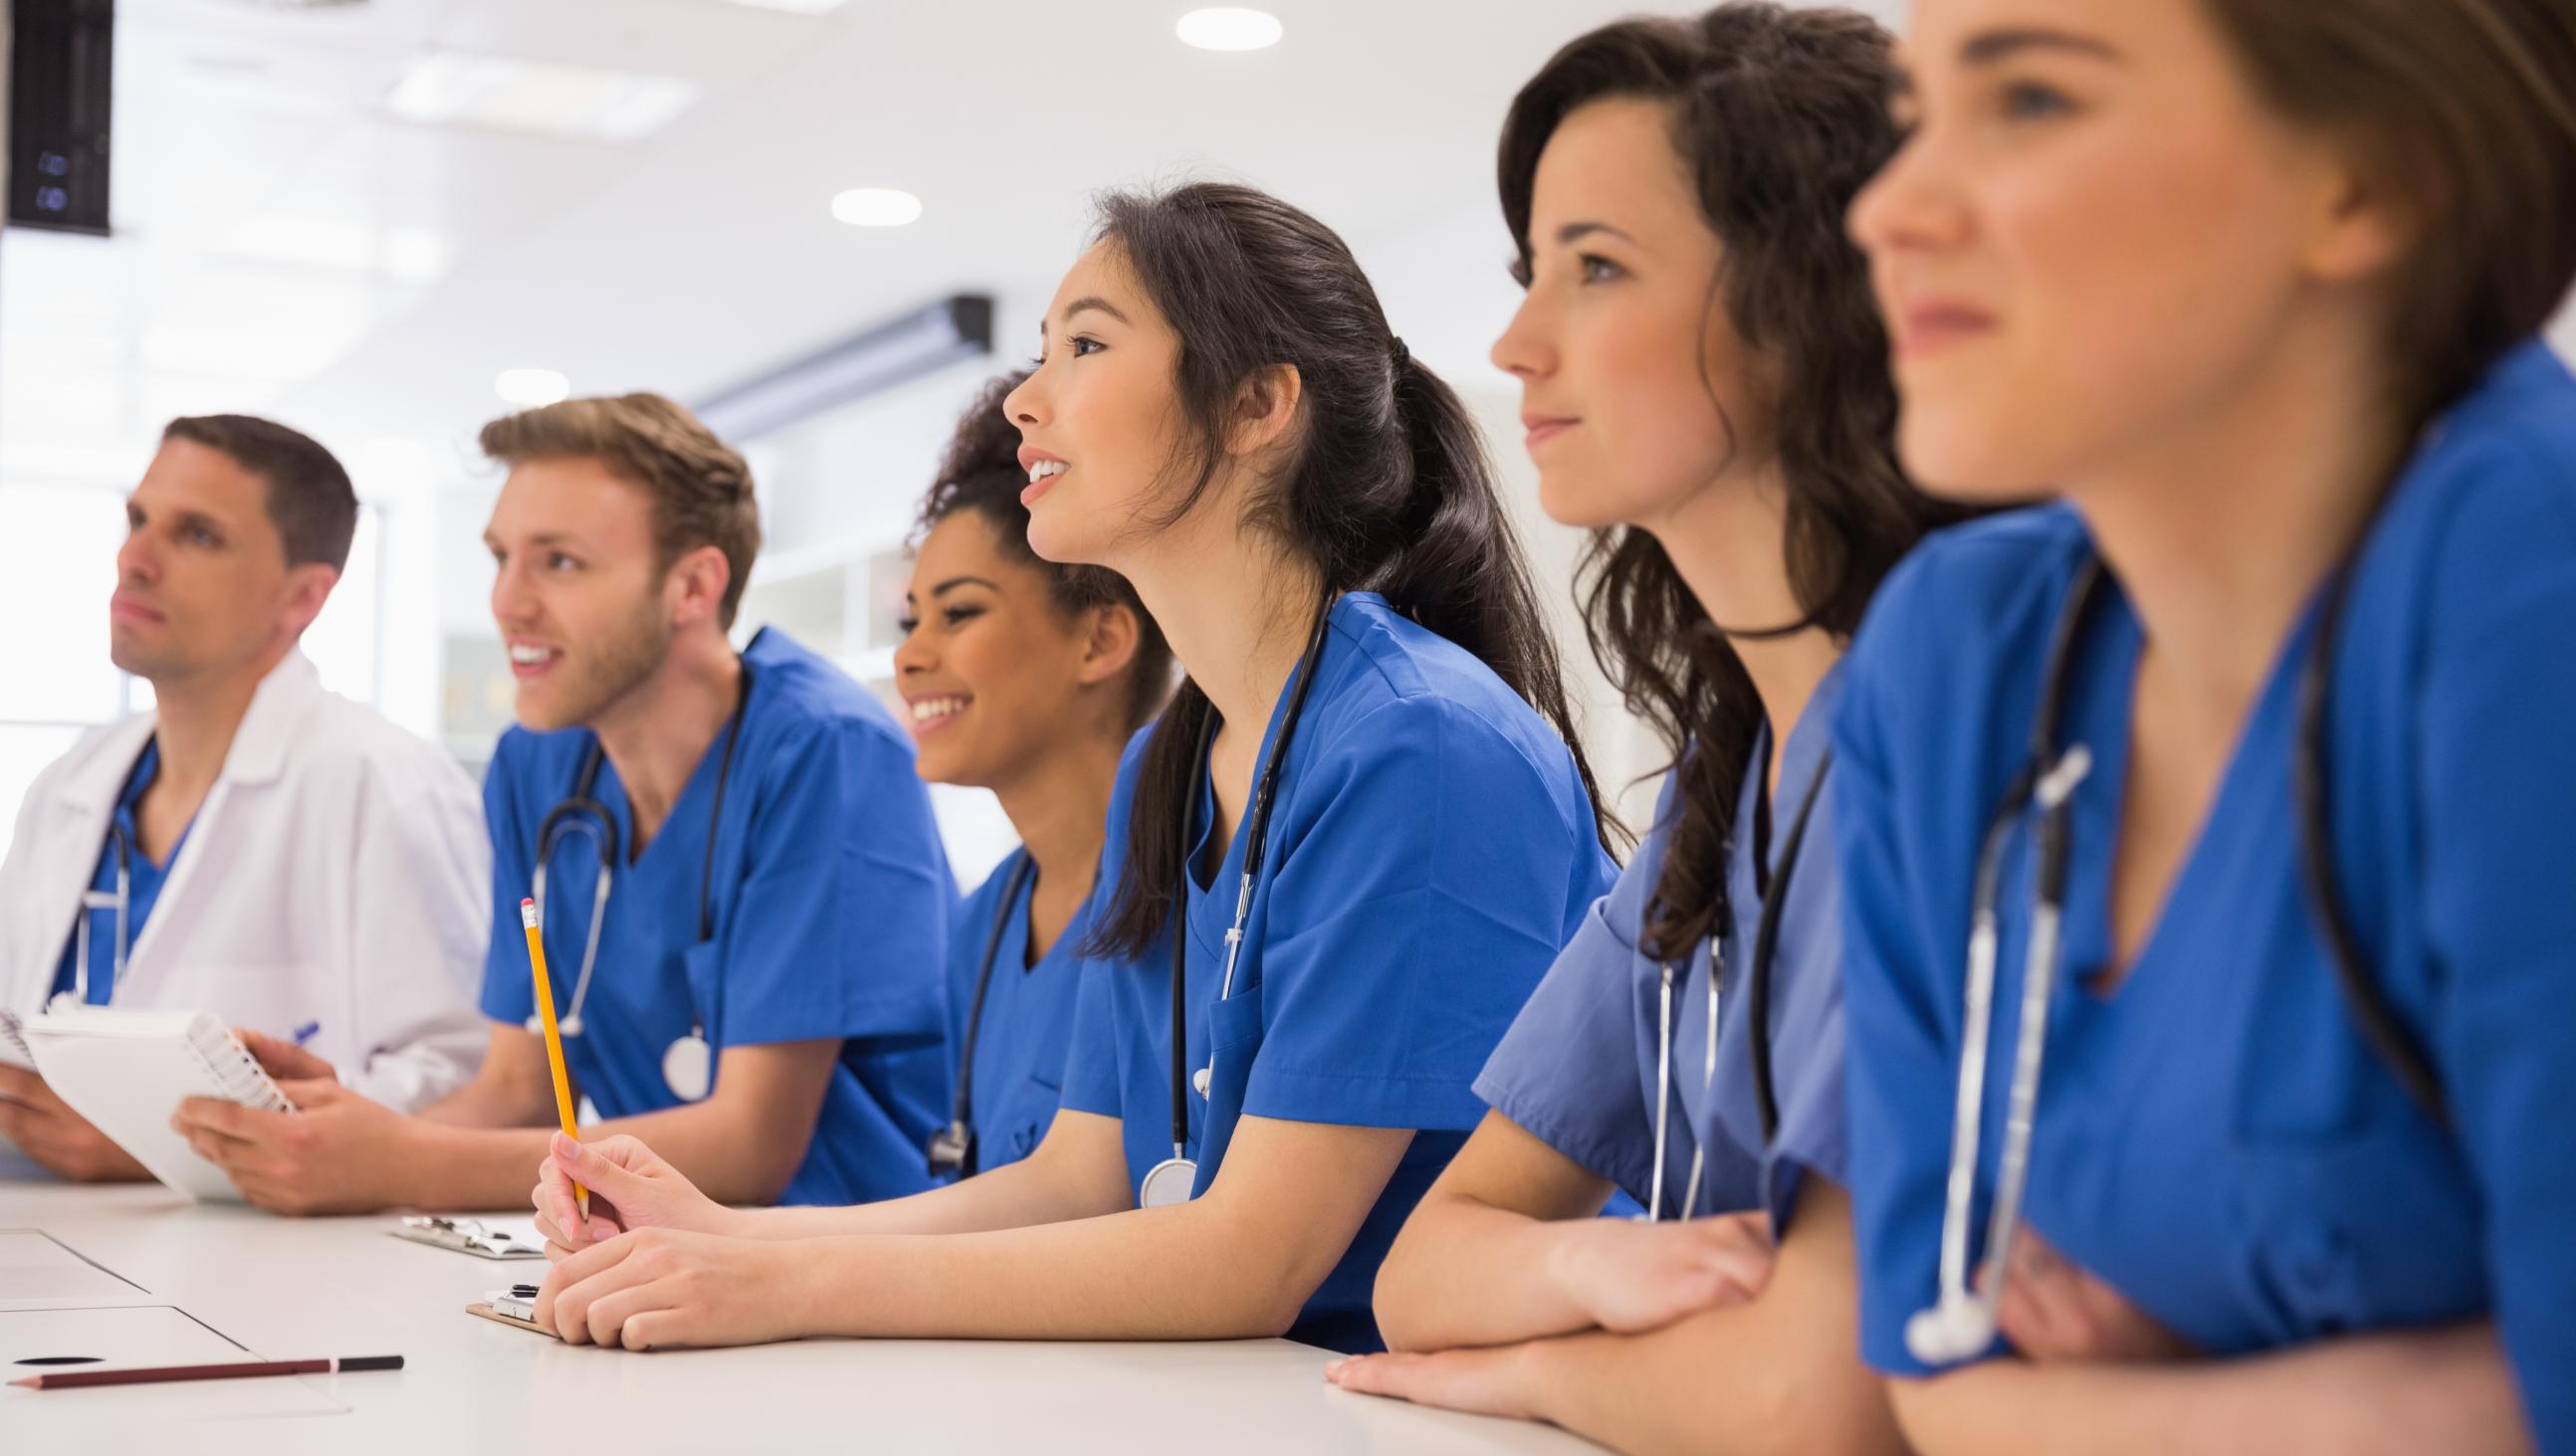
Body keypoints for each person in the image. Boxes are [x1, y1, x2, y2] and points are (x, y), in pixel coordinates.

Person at [520, 181, 1617, 1356]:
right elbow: (1075, 1176)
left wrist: (780, 1287)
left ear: (1255, 405)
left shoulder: (1421, 743)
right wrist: (729, 1237)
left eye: (1086, 344)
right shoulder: (1171, 755)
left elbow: (1249, 1261)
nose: (1027, 403)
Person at [1836, 0, 2576, 1451]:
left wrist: (2151, 1399)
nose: (1889, 208)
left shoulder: (2532, 570)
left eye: (2033, 101)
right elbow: (1940, 1387)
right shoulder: (1954, 658)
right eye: (1917, 113)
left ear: (2370, 177)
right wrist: (2414, 1393)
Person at [1330, 9, 1952, 1451]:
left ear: (1813, 305)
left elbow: (1817, 1397)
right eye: (1530, 270)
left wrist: (1538, 1365)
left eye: (1596, 267)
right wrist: (1591, 1261)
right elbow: (1430, 1266)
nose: (1515, 341)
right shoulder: (1716, 794)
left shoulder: (1939, 743)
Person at [172, 394, 954, 1213]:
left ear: (692, 585)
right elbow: (516, 1087)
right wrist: (335, 1141)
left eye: (560, 562)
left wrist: (398, 1163)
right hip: (665, 1259)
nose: (508, 602)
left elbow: (751, 1144)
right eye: (501, 557)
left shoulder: (824, 749)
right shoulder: (537, 763)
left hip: (854, 1266)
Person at [0, 415, 486, 1180]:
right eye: (138, 520)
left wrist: (158, 1136)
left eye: (196, 535)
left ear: (302, 597)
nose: (135, 559)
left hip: (258, 1274)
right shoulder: (71, 782)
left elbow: (465, 1083)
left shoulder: (384, 782)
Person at [900, 368, 1172, 1181]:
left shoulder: (1184, 897)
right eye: (911, 619)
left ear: (1099, 641)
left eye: (960, 613)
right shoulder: (983, 927)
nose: (910, 656)